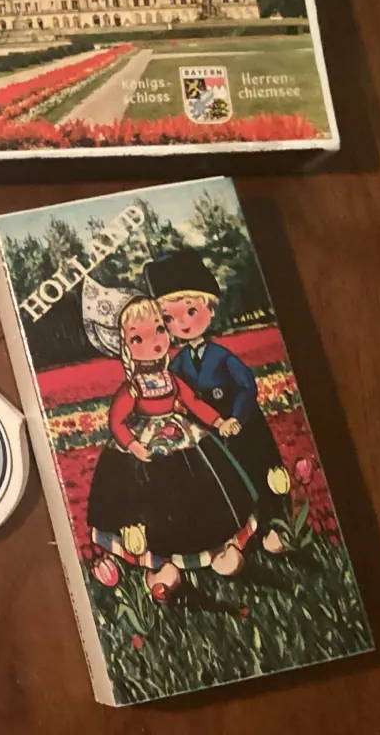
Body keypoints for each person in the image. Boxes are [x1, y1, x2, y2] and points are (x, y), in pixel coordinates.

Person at [81, 276, 259, 602]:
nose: (153, 342)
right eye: (138, 338)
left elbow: (192, 403)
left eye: (159, 330)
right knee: (154, 504)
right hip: (145, 447)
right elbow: (116, 420)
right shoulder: (132, 387)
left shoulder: (171, 378)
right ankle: (160, 565)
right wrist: (134, 445)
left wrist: (218, 421)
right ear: (123, 345)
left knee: (200, 491)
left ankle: (216, 549)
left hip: (181, 438)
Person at [146, 249, 289, 555]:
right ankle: (234, 540)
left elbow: (246, 386)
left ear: (209, 306)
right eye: (169, 318)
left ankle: (273, 527)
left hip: (242, 425)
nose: (181, 324)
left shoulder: (222, 356)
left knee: (256, 470)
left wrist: (237, 417)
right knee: (222, 480)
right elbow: (174, 392)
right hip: (207, 430)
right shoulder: (179, 362)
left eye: (190, 311)